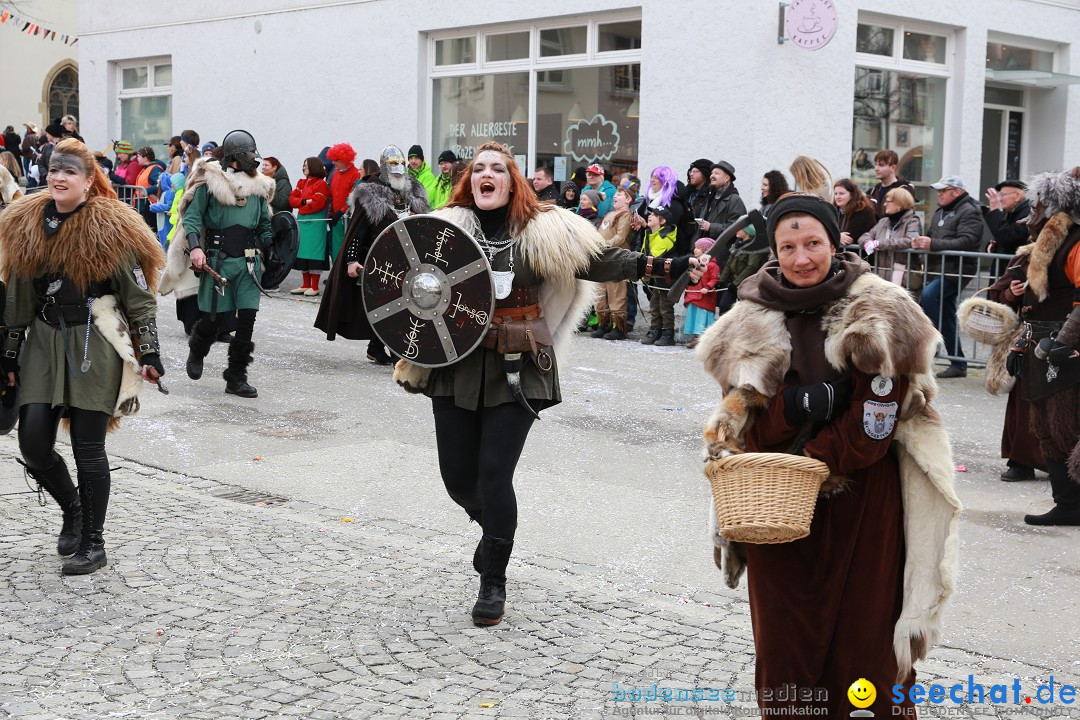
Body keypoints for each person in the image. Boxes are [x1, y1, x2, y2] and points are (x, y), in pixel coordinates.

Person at [390, 141, 694, 626]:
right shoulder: (446, 229)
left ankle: (493, 581)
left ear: (513, 182)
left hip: (520, 363)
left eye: (499, 169)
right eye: (479, 169)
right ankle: (494, 534)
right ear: (471, 181)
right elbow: (406, 279)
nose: (487, 175)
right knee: (457, 479)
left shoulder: (544, 230)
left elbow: (597, 262)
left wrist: (663, 265)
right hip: (457, 362)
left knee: (494, 473)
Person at [698, 192, 960, 718]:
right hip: (774, 508)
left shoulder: (880, 311)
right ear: (773, 248)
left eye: (812, 243)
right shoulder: (749, 318)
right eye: (788, 245)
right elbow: (743, 422)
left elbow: (874, 427)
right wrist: (794, 407)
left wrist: (808, 456)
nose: (801, 258)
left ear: (834, 241)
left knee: (863, 645)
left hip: (861, 507)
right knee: (785, 646)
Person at [0, 138, 166, 575]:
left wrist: (149, 351)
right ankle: (73, 509)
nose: (58, 176)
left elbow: (139, 297)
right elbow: (17, 297)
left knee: (87, 448)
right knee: (34, 445)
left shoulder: (112, 227)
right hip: (42, 343)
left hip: (94, 344)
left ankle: (93, 543)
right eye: (55, 169)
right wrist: (9, 357)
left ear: (89, 179)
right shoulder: (25, 222)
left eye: (70, 171)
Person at [990, 168, 1080, 524]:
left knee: (1066, 426)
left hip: (1064, 348)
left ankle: (1073, 506)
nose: (1034, 210)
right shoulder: (1045, 244)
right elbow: (1033, 303)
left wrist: (1066, 341)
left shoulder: (1074, 242)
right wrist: (1018, 348)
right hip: (1039, 343)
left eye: (1040, 203)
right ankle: (1069, 506)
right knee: (1046, 426)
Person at [160, 129, 274, 398]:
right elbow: (191, 218)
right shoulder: (210, 182)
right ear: (235, 156)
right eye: (248, 155)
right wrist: (196, 248)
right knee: (213, 319)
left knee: (246, 322)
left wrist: (271, 245)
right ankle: (197, 349)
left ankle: (236, 377)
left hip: (249, 263)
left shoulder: (258, 187)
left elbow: (264, 224)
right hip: (218, 261)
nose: (253, 160)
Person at [314, 145, 430, 365]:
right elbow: (357, 230)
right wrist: (352, 260)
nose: (398, 168)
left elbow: (424, 225)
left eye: (401, 164)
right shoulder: (370, 190)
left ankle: (376, 347)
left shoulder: (414, 190)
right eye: (393, 164)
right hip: (378, 259)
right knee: (388, 305)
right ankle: (395, 350)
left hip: (407, 258)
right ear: (384, 166)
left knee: (403, 303)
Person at [912, 176, 983, 378]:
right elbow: (935, 235)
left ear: (957, 191)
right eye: (939, 191)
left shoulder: (970, 211)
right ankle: (957, 362)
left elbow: (968, 241)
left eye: (944, 190)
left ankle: (934, 346)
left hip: (956, 269)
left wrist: (932, 244)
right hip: (939, 268)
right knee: (946, 314)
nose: (939, 194)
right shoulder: (941, 210)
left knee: (929, 297)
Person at [593, 186, 635, 339]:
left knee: (616, 293)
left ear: (628, 199)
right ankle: (602, 323)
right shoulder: (610, 214)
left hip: (616, 258)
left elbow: (621, 237)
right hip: (602, 257)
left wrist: (605, 245)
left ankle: (619, 327)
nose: (615, 196)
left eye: (619, 194)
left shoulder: (625, 215)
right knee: (600, 292)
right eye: (615, 194)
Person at [860, 187, 922, 286]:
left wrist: (879, 243)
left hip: (903, 276)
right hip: (881, 273)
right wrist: (867, 242)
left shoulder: (913, 221)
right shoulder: (883, 221)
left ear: (899, 204)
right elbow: (865, 236)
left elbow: (910, 240)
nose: (885, 204)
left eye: (888, 201)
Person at [289, 157, 330, 296]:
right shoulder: (302, 182)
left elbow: (318, 203)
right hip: (303, 221)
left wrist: (301, 203)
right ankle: (305, 284)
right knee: (303, 252)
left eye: (306, 165)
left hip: (315, 223)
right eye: (304, 165)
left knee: (314, 252)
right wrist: (306, 201)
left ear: (313, 167)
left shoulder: (321, 184)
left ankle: (314, 286)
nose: (304, 167)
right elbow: (292, 200)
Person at [640, 205, 679, 346]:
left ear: (662, 221)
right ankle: (655, 330)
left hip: (665, 277)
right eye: (649, 213)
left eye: (654, 215)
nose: (649, 216)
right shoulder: (649, 234)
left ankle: (668, 333)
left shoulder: (666, 235)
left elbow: (654, 256)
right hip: (654, 276)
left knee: (665, 306)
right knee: (654, 305)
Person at [713, 222, 770, 317]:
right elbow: (729, 263)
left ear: (747, 232)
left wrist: (736, 283)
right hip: (733, 282)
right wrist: (721, 280)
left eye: (739, 228)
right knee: (724, 306)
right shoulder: (737, 244)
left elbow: (752, 266)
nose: (736, 230)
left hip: (746, 283)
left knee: (744, 311)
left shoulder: (754, 247)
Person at [984, 179, 1031, 279]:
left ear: (1017, 196)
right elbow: (1002, 236)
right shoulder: (1010, 213)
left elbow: (1009, 237)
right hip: (1006, 270)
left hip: (1015, 273)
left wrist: (995, 211)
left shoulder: (1027, 213)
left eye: (1002, 195)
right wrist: (994, 246)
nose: (1000, 199)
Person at [682, 237, 720, 348]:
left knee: (702, 317)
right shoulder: (693, 263)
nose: (695, 250)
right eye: (695, 247)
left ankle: (701, 338)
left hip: (704, 297)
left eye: (698, 248)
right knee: (693, 316)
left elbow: (714, 279)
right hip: (693, 295)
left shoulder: (713, 266)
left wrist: (707, 287)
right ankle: (695, 337)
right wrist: (685, 286)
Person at [696, 161, 747, 243]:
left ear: (727, 178)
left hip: (722, 251)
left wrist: (711, 227)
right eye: (712, 173)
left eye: (716, 173)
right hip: (704, 250)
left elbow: (737, 228)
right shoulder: (710, 197)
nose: (712, 176)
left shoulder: (734, 200)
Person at [326, 143, 361, 262]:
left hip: (348, 218)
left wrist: (342, 211)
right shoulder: (336, 174)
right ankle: (335, 277)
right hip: (337, 219)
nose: (333, 163)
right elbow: (332, 195)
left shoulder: (355, 174)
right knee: (336, 250)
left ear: (344, 159)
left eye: (336, 160)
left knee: (346, 250)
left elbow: (354, 197)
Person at [867, 150, 915, 218]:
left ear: (893, 168)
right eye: (876, 164)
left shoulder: (903, 190)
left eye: (881, 165)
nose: (876, 168)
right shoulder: (873, 191)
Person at [834, 178, 877, 244]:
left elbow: (849, 238)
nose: (837, 197)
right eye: (836, 194)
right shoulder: (834, 210)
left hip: (858, 253)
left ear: (852, 195)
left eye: (841, 193)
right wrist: (838, 236)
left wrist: (835, 236)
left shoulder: (862, 212)